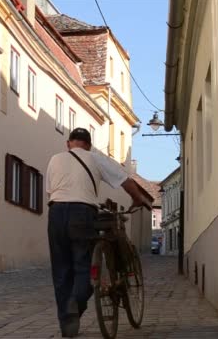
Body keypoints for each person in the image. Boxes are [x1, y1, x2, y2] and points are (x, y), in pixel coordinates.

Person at [46, 127, 151, 337]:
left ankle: (67, 326)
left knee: (61, 270)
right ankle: (76, 301)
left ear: (69, 143)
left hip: (56, 212)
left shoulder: (55, 159)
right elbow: (125, 180)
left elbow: (51, 190)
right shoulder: (95, 158)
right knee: (83, 263)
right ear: (89, 144)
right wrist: (138, 198)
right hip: (82, 213)